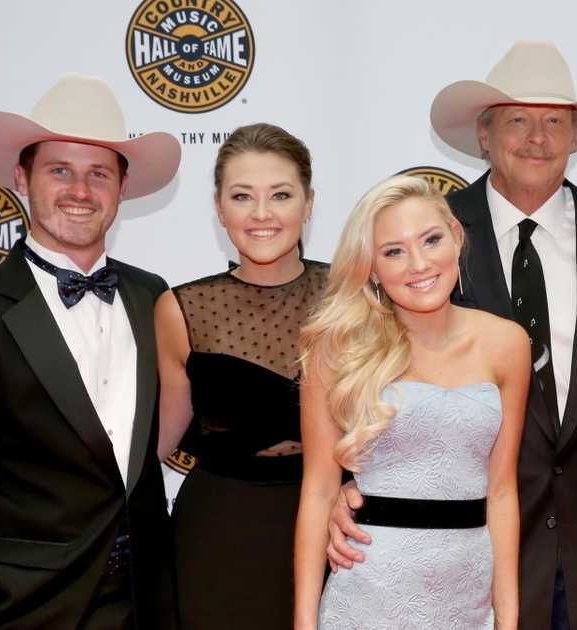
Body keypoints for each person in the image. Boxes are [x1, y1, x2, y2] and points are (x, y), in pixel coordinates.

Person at [327, 41, 577, 629]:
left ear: (576, 137)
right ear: (485, 136)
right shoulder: (426, 232)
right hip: (455, 552)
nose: (536, 138)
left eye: (554, 122)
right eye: (518, 120)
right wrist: (355, 481)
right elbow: (356, 352)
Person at [0, 73, 181, 629]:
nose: (80, 190)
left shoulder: (155, 298)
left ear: (121, 188)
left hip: (146, 607)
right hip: (20, 610)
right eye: (59, 171)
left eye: (99, 173)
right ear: (22, 179)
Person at [294, 176, 529, 629]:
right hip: (369, 592)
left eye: (431, 240)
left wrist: (508, 618)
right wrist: (305, 623)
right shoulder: (336, 347)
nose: (418, 264)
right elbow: (319, 490)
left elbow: (501, 492)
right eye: (393, 251)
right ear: (372, 267)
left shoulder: (507, 344)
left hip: (469, 597)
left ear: (456, 238)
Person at [154, 123, 329, 629]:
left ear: (309, 202)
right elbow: (159, 443)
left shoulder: (353, 296)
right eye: (242, 196)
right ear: (218, 207)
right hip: (218, 529)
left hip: (335, 527)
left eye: (280, 195)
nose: (261, 214)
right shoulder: (181, 308)